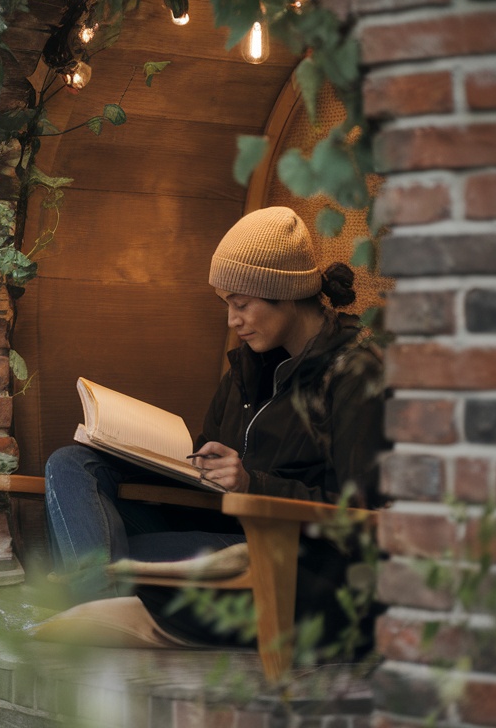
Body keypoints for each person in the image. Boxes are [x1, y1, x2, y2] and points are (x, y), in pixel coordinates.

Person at [42, 205, 387, 648]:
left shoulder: (355, 374)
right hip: (216, 528)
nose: (232, 321)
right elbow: (210, 458)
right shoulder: (248, 368)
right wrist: (165, 458)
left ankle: (97, 611)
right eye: (227, 305)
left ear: (283, 293)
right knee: (73, 464)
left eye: (241, 305)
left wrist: (251, 482)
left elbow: (357, 513)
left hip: (284, 554)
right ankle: (105, 604)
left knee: (96, 555)